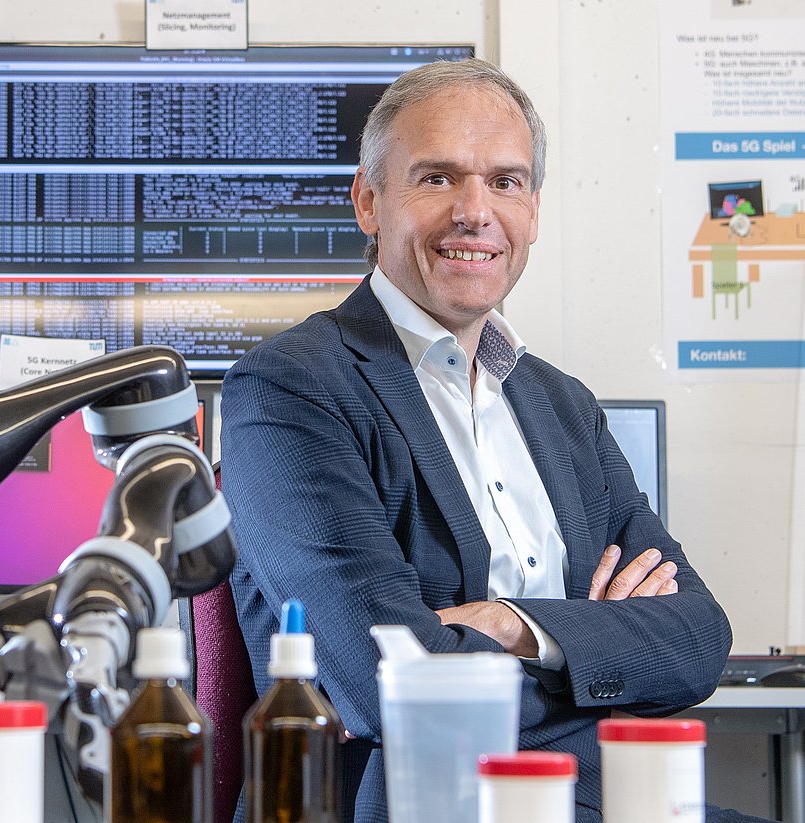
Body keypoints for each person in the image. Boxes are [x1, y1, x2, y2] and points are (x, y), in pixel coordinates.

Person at [219, 58, 762, 822]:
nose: (476, 211)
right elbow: (391, 687)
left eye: (505, 182)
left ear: (533, 212)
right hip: (424, 804)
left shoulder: (561, 403)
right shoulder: (289, 390)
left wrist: (519, 624)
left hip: (607, 798)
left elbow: (700, 638)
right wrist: (604, 641)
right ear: (369, 202)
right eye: (438, 178)